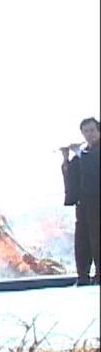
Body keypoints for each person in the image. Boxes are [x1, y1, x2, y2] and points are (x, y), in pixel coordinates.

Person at [60, 117, 100, 285]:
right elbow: (72, 176)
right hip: (83, 204)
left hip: (97, 202)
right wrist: (66, 159)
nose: (89, 134)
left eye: (92, 130)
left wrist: (80, 155)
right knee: (82, 239)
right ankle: (82, 275)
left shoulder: (92, 153)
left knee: (97, 238)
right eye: (86, 131)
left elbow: (93, 166)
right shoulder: (83, 153)